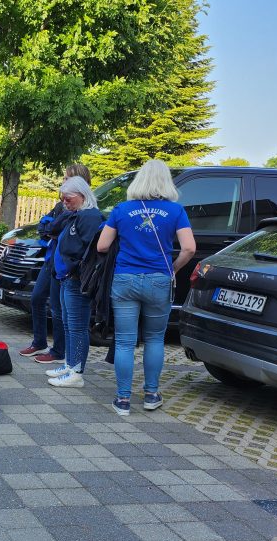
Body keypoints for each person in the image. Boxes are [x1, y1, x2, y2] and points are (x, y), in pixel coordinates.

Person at [97, 159, 196, 416]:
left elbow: (102, 246)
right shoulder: (176, 211)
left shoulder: (121, 209)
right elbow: (189, 248)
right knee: (155, 339)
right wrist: (173, 269)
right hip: (158, 280)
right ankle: (151, 395)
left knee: (125, 341)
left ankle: (123, 399)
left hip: (125, 279)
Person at [22, 163, 91, 364]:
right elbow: (46, 227)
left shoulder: (82, 209)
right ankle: (39, 342)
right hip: (51, 258)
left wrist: (52, 228)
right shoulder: (62, 204)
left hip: (64, 264)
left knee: (58, 308)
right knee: (37, 298)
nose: (63, 182)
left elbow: (58, 229)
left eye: (67, 178)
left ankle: (59, 352)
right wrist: (50, 228)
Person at [46, 176, 104, 387]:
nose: (64, 202)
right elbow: (52, 230)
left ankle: (76, 372)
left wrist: (76, 270)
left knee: (77, 326)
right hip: (67, 278)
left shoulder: (89, 217)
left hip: (76, 279)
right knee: (69, 324)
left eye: (68, 199)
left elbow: (91, 250)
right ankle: (70, 364)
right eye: (62, 198)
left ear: (82, 196)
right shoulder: (76, 214)